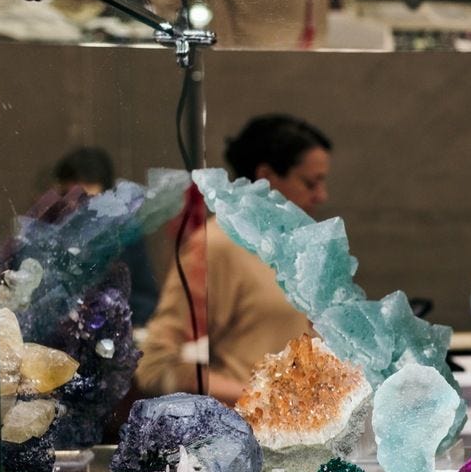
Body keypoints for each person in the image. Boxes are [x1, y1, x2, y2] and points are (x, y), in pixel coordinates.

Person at [136, 115, 331, 405]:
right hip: (245, 426)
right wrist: (259, 398)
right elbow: (155, 364)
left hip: (303, 424)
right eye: (310, 183)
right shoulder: (216, 246)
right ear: (266, 177)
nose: (321, 196)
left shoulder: (299, 248)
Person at [52, 146, 161, 325]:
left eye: (90, 201)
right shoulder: (50, 236)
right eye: (74, 200)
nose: (81, 211)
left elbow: (145, 299)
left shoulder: (124, 235)